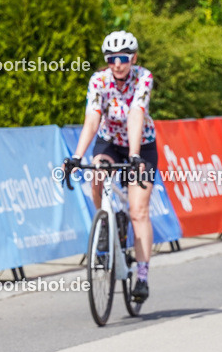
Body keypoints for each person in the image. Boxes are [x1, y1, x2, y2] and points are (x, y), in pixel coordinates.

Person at [64, 31, 157, 302]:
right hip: (110, 142)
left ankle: (141, 275)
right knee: (97, 172)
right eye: (112, 58)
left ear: (133, 58)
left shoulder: (143, 77)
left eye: (123, 58)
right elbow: (92, 118)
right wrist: (76, 156)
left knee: (138, 211)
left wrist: (136, 155)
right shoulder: (99, 80)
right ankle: (105, 221)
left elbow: (136, 113)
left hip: (142, 145)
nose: (117, 63)